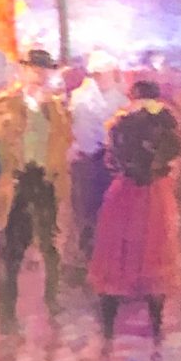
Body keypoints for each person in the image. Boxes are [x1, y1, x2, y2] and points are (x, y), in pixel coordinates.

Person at [91, 76, 181, 345]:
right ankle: (155, 325)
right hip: (154, 193)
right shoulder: (166, 122)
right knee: (154, 251)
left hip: (127, 192)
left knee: (117, 252)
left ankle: (109, 327)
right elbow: (171, 154)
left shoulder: (122, 122)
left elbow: (113, 158)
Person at [0, 46, 71, 329]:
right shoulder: (6, 103)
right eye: (34, 69)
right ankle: (7, 307)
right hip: (18, 181)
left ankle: (52, 300)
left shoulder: (55, 107)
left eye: (44, 70)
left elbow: (64, 142)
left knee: (50, 243)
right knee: (12, 246)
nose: (39, 74)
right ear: (23, 71)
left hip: (45, 181)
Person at [68, 50, 122, 270]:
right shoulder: (83, 98)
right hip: (91, 162)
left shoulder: (116, 96)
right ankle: (91, 262)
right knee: (90, 213)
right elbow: (85, 133)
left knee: (102, 214)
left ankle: (100, 261)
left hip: (105, 162)